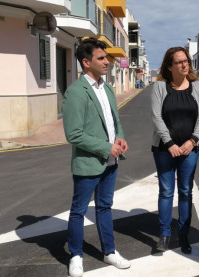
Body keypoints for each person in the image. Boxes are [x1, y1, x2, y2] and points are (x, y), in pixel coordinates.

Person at [62, 38, 131, 277]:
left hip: (111, 161)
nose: (107, 63)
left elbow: (115, 121)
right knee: (78, 211)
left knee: (104, 207)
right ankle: (76, 255)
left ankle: (109, 251)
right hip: (89, 162)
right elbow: (74, 134)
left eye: (106, 58)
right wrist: (105, 148)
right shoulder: (75, 92)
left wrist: (119, 139)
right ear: (86, 62)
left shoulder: (107, 88)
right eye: (101, 58)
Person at [151, 47, 199, 254]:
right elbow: (156, 116)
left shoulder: (198, 87)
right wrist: (170, 144)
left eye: (186, 61)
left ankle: (183, 235)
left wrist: (192, 141)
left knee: (185, 192)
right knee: (166, 192)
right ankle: (164, 235)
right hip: (164, 150)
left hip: (189, 150)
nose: (185, 65)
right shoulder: (160, 87)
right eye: (179, 62)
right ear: (169, 66)